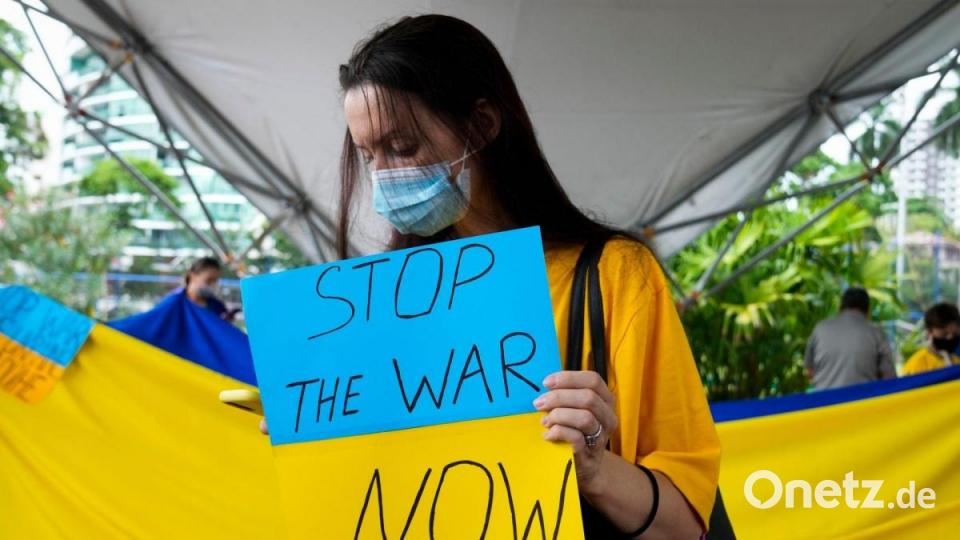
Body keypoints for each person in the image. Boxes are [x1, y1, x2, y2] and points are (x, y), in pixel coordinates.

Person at [261, 15, 720, 538]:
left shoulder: (614, 274)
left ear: (481, 126)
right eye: (369, 157)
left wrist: (595, 470)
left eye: (403, 147)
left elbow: (688, 525)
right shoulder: (373, 309)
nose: (384, 175)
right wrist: (310, 435)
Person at [804, 287, 896, 390]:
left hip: (823, 402)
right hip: (863, 402)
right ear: (868, 311)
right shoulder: (876, 332)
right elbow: (889, 378)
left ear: (840, 307)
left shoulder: (820, 328)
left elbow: (809, 371)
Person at [902, 302, 960, 375]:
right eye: (944, 334)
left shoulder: (957, 361)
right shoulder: (916, 365)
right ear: (929, 332)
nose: (950, 337)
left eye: (954, 334)